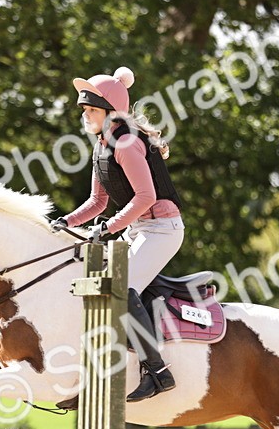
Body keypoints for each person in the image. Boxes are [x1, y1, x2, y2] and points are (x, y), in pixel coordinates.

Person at [50, 66, 184, 403]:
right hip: (139, 228)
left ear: (111, 112)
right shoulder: (102, 146)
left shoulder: (125, 143)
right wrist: (67, 221)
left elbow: (146, 198)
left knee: (120, 289)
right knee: (91, 289)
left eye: (91, 110)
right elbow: (98, 201)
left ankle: (157, 371)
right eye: (84, 110)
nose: (86, 115)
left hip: (162, 229)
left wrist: (108, 228)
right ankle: (91, 376)